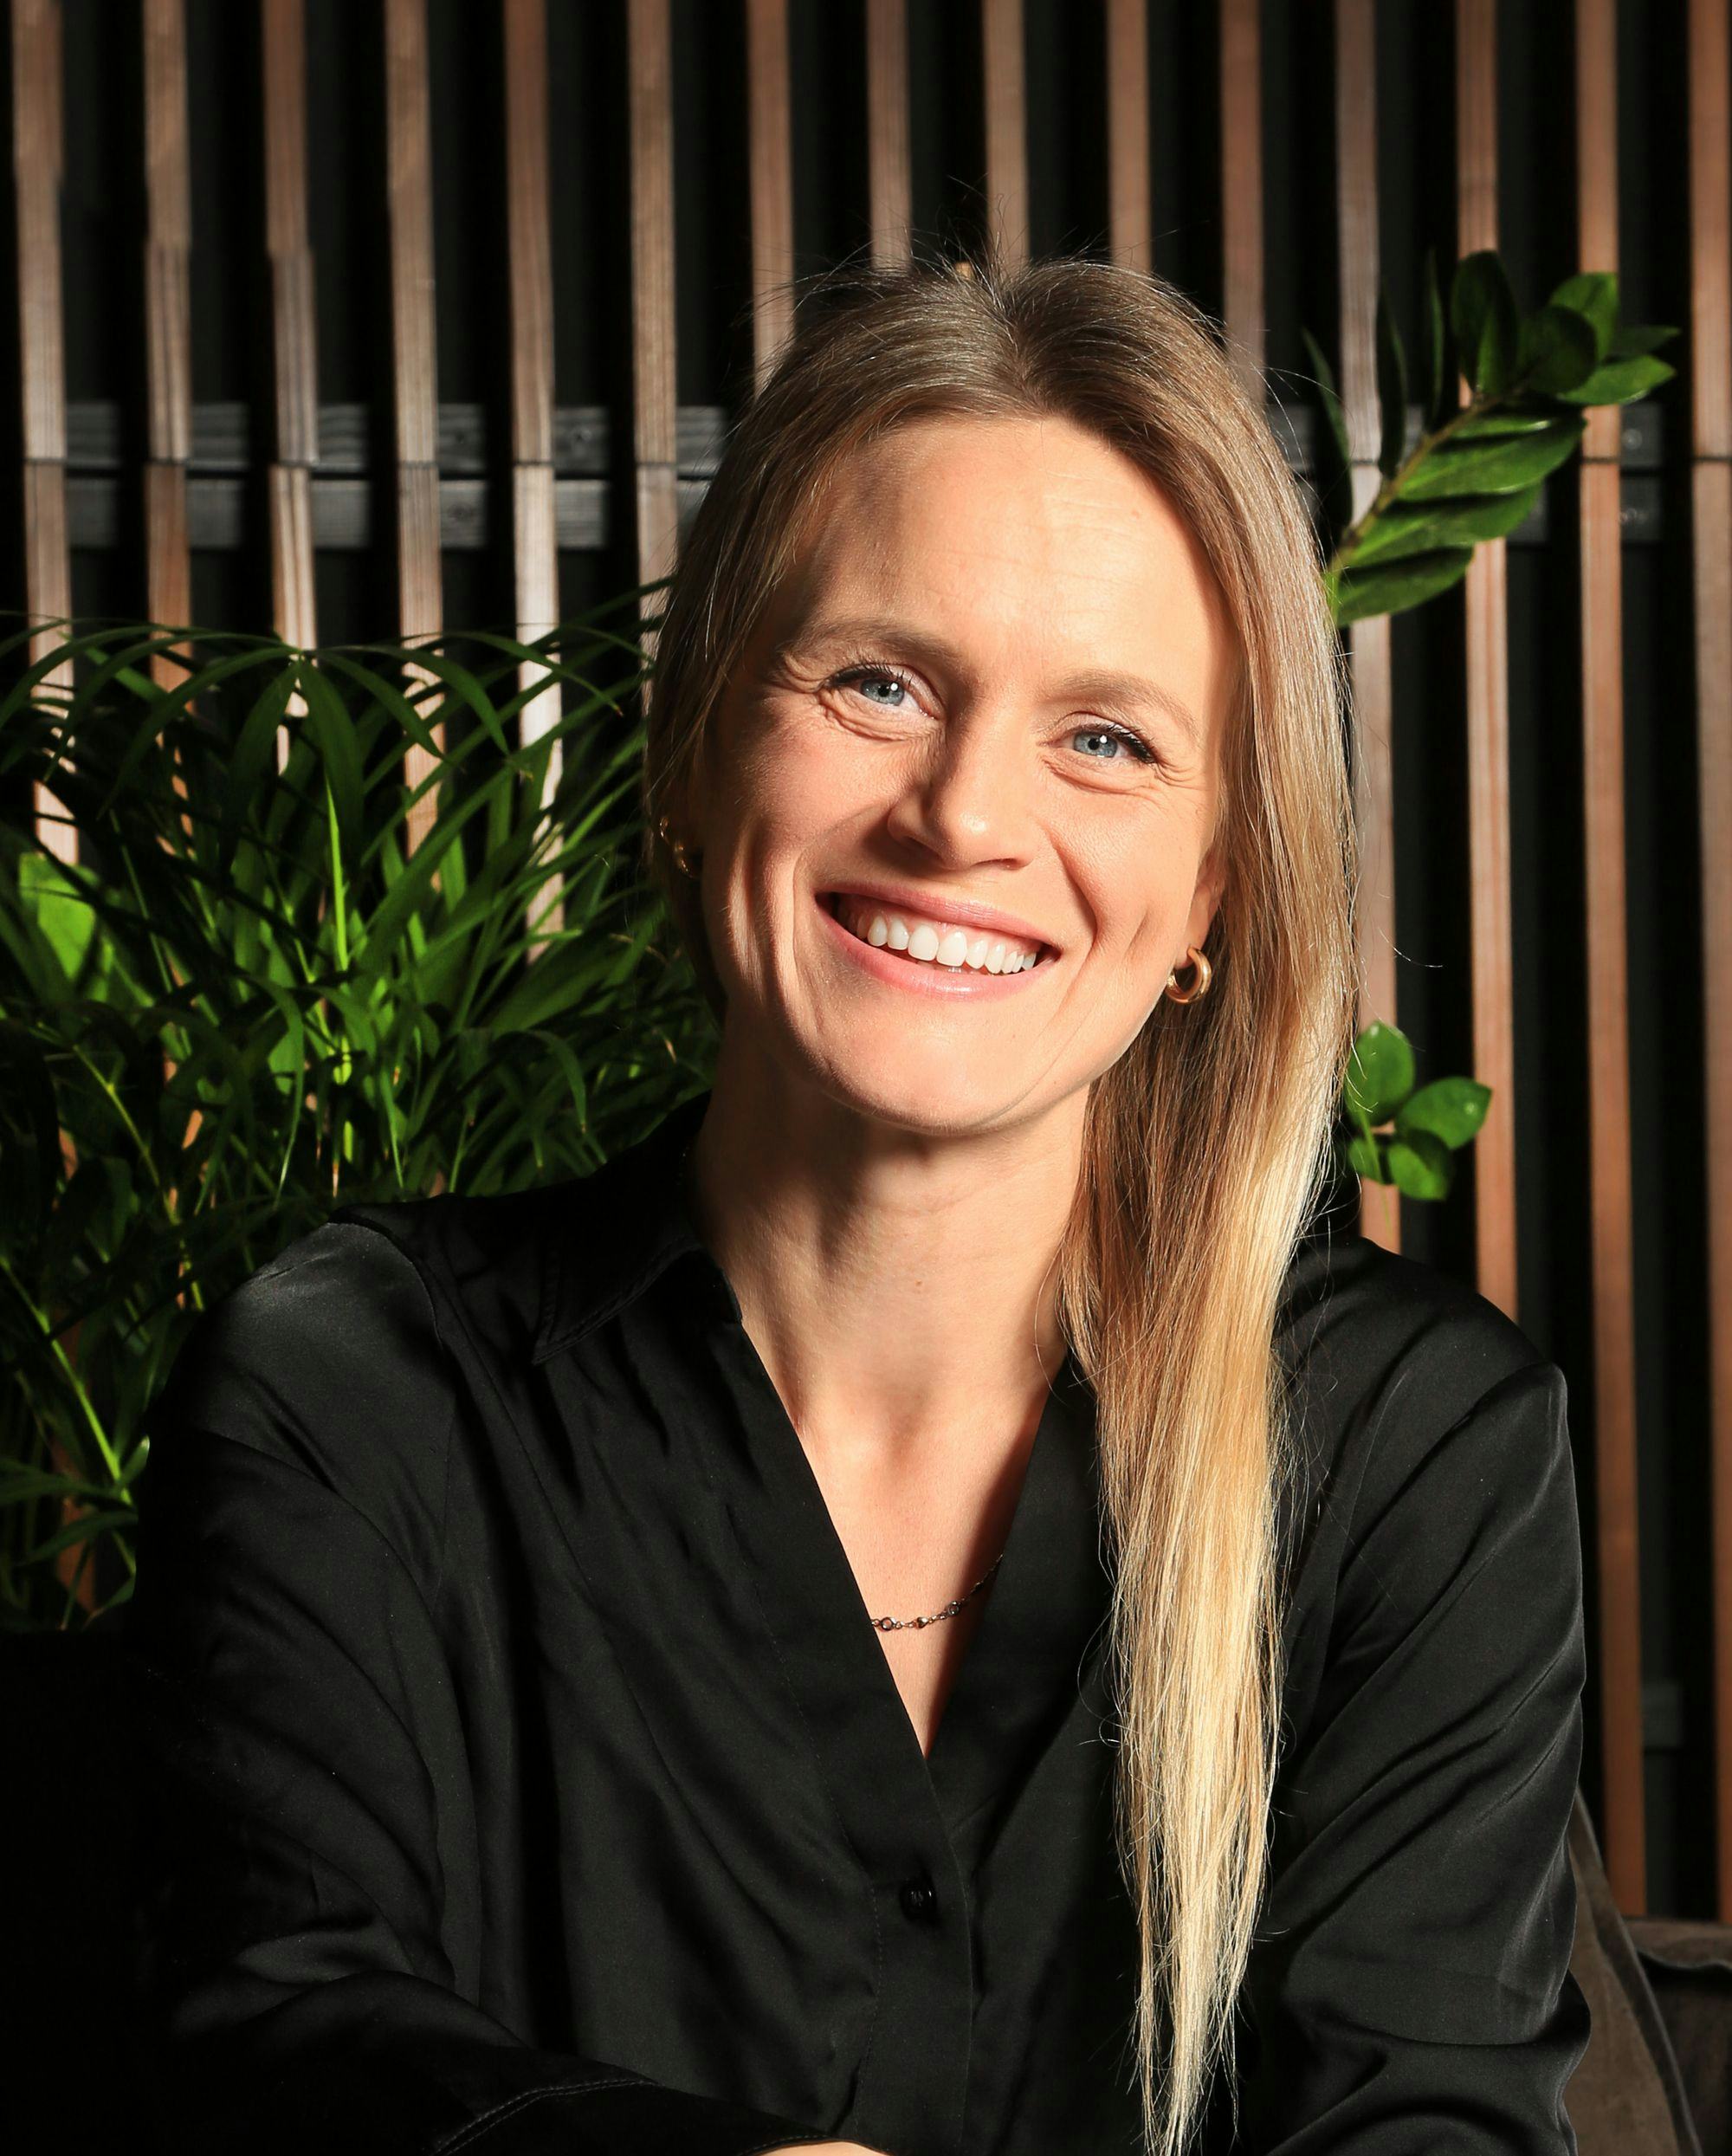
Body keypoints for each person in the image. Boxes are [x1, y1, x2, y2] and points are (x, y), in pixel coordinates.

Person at [122, 249, 1591, 2156]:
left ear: (1211, 903)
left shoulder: (1416, 1451)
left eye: (1106, 738)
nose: (964, 814)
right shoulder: (355, 1396)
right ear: (697, 754)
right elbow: (276, 2039)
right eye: (877, 683)